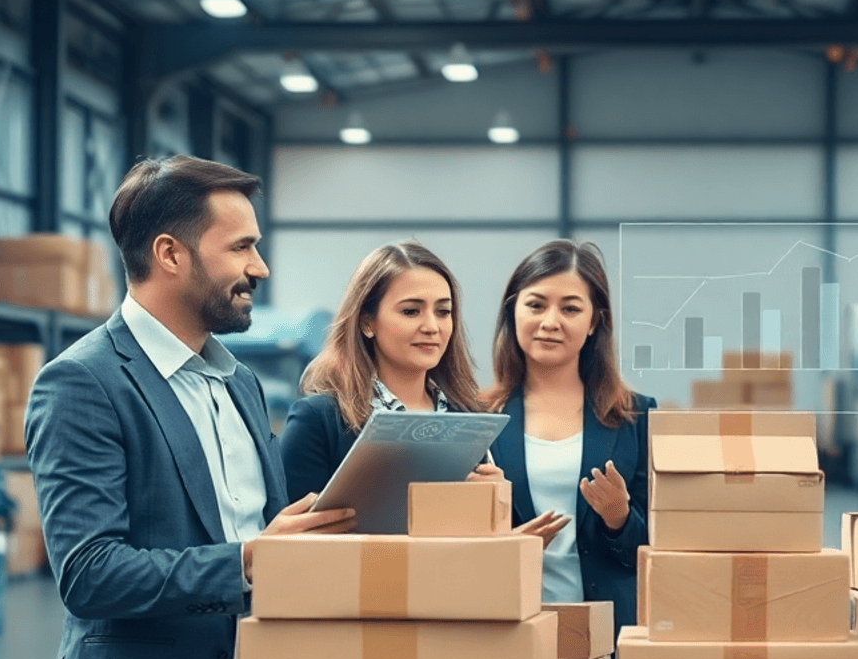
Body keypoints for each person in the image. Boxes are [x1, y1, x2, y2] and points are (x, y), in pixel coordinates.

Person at [26, 155, 356, 659]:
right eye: (241, 246)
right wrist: (249, 559)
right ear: (170, 254)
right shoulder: (82, 384)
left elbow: (265, 533)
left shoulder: (236, 384)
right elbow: (89, 574)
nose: (260, 267)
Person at [479, 240, 655, 632]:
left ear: (595, 322)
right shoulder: (476, 416)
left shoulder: (635, 415)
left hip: (607, 630)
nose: (550, 321)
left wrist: (619, 517)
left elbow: (657, 548)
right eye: (536, 305)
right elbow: (452, 544)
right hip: (508, 625)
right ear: (513, 311)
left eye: (571, 308)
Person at [281, 241, 489, 502]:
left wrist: (497, 498)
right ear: (367, 322)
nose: (432, 326)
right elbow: (287, 535)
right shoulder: (318, 421)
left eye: (443, 311)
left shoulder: (470, 420)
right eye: (411, 311)